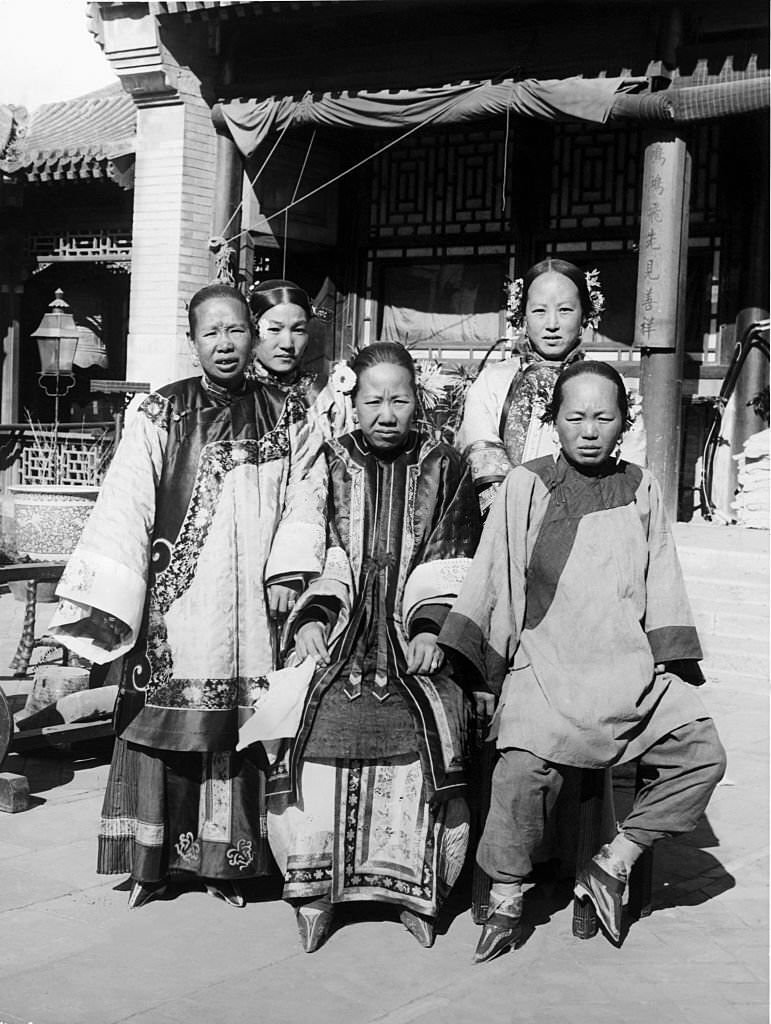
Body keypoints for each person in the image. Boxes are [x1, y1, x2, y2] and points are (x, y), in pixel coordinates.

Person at [49, 283, 326, 909]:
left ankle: (227, 868)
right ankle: (152, 866)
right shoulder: (159, 413)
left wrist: (290, 569)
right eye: (211, 333)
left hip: (256, 601)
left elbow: (308, 494)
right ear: (193, 340)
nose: (225, 344)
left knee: (240, 729)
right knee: (163, 724)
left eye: (235, 330)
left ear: (252, 333)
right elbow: (125, 504)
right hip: (179, 603)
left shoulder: (288, 415)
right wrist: (115, 597)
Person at [439, 360, 726, 962]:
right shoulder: (527, 484)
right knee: (520, 776)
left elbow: (663, 579)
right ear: (556, 422)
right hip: (547, 668)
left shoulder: (642, 485)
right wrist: (491, 675)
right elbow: (497, 581)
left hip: (628, 670)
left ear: (624, 423)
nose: (590, 429)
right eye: (576, 417)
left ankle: (611, 863)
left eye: (604, 416)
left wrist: (668, 664)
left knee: (702, 755)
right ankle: (509, 896)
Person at [265, 341, 482, 952]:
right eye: (373, 400)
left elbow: (453, 554)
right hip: (343, 626)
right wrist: (312, 614)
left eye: (399, 399)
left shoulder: (448, 466)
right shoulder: (328, 464)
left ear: (419, 403)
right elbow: (318, 545)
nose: (386, 412)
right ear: (352, 404)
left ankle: (414, 891)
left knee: (432, 721)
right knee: (314, 715)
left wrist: (431, 627)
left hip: (413, 630)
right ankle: (315, 890)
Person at [457, 258, 645, 518]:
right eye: (539, 311)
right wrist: (509, 520)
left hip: (591, 518)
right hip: (504, 518)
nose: (552, 324)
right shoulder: (494, 381)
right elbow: (482, 456)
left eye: (565, 310)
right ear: (522, 315)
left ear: (586, 314)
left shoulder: (609, 385)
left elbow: (631, 464)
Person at [248, 278, 352, 439]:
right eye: (274, 329)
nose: (287, 344)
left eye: (298, 330)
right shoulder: (235, 394)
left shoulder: (326, 395)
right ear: (253, 330)